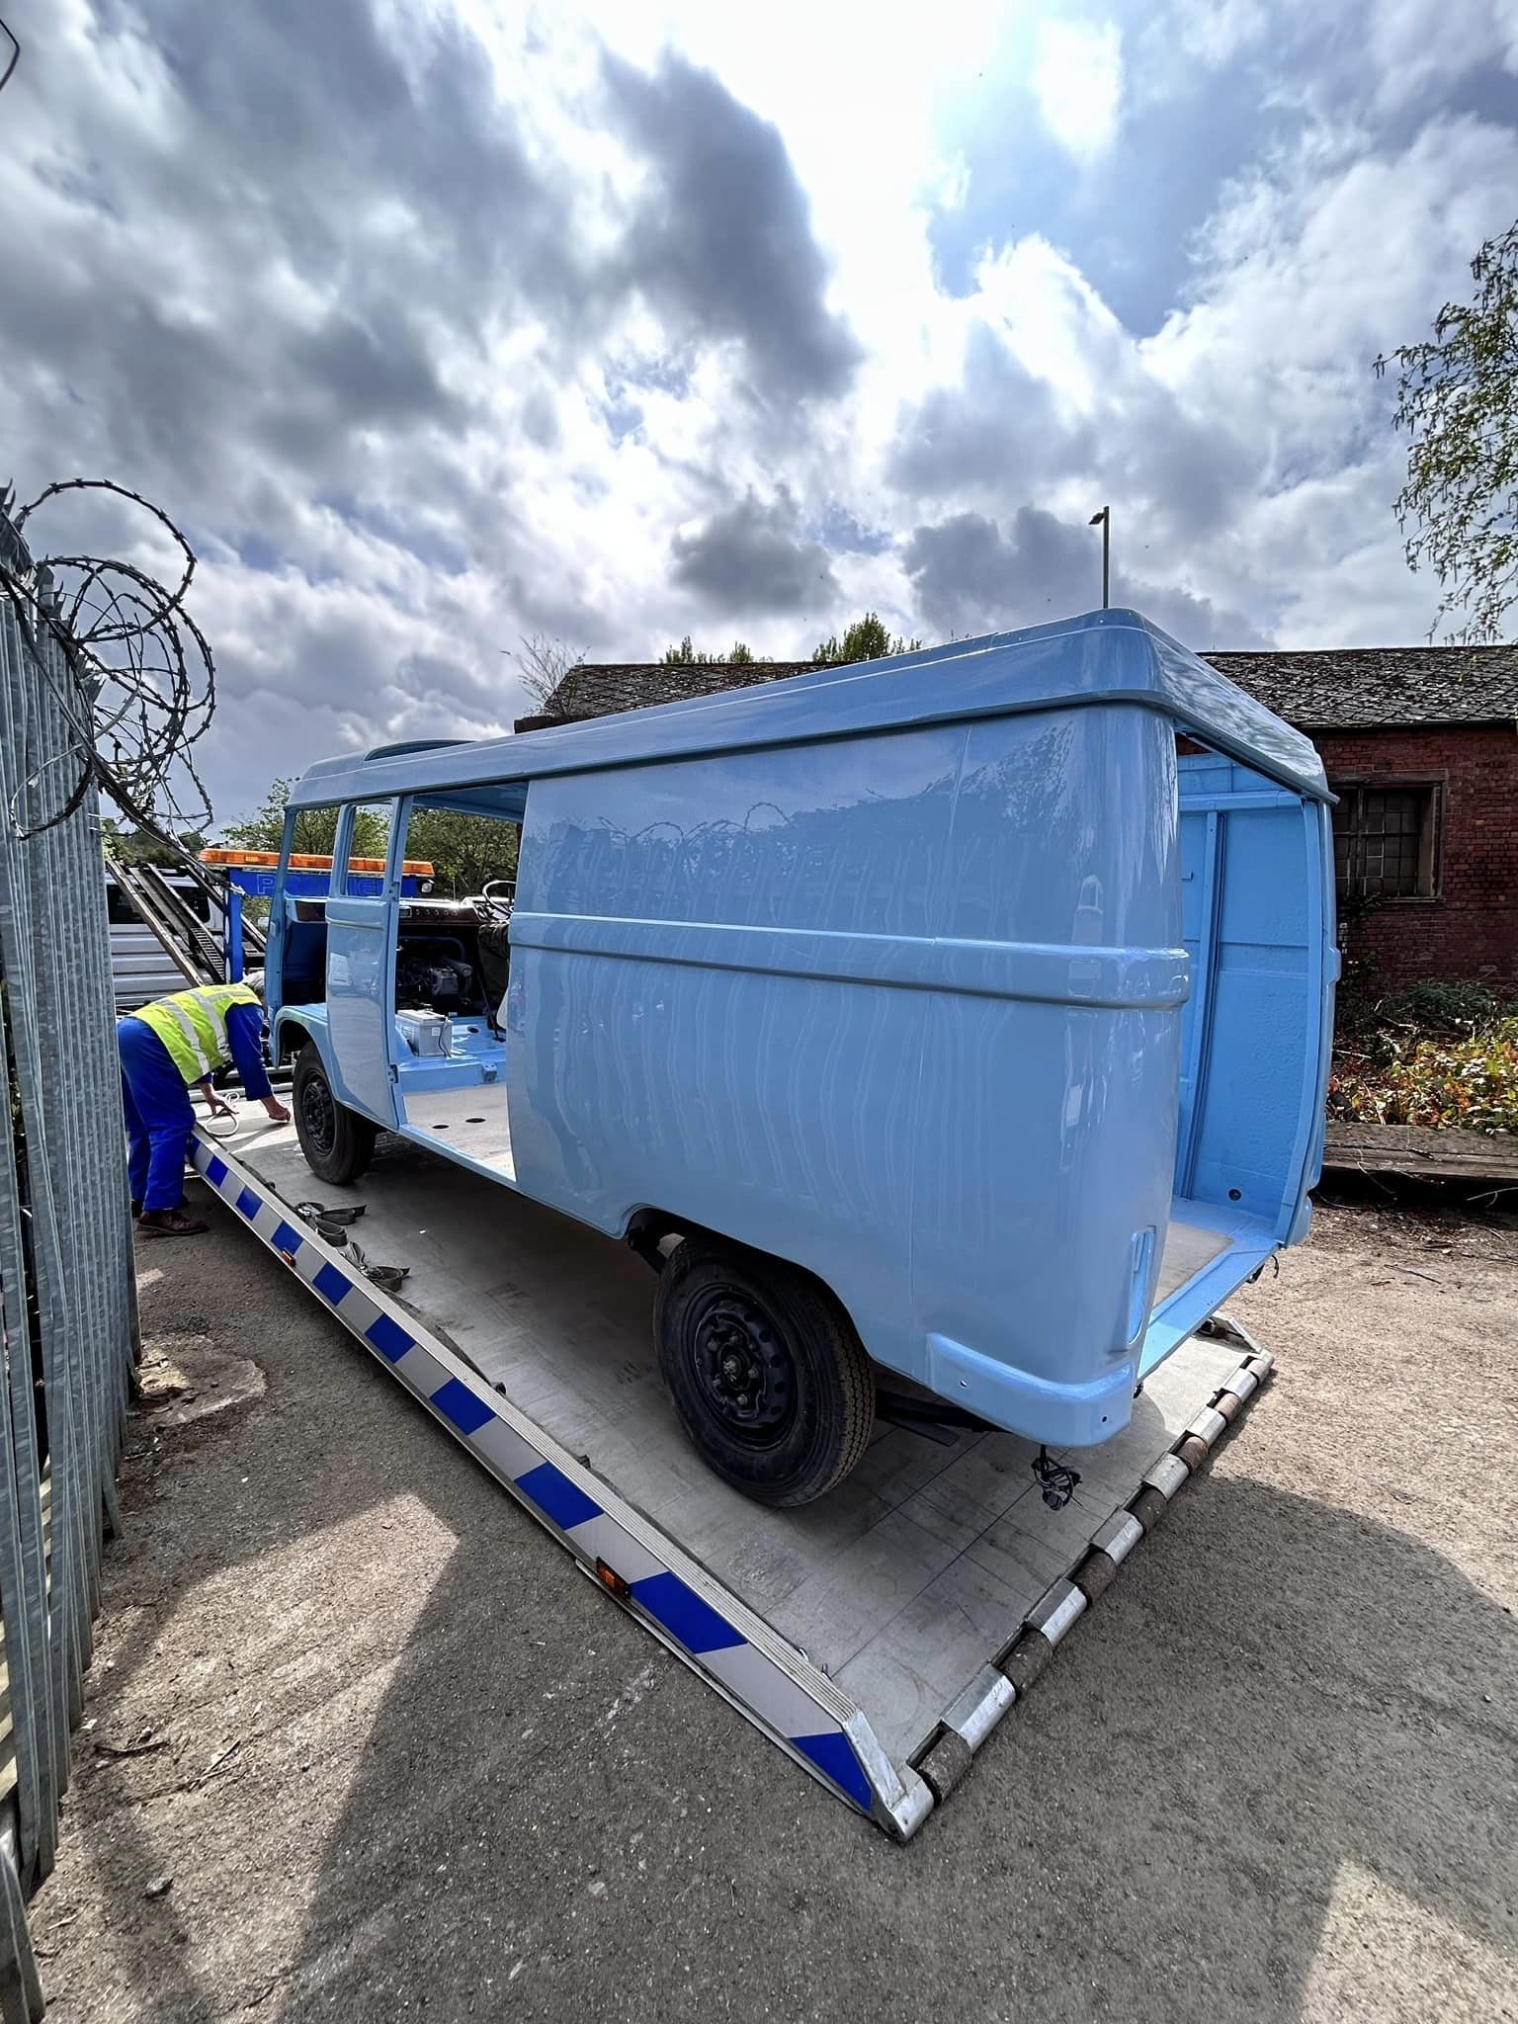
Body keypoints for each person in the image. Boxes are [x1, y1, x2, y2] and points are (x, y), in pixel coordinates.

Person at [118, 973, 289, 1237]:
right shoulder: (247, 1004)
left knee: (143, 1124)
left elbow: (194, 1045)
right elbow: (249, 1059)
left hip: (129, 1032)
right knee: (173, 1123)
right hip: (150, 1041)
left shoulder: (223, 994)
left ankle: (142, 1197)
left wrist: (209, 1093)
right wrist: (272, 1104)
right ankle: (160, 1210)